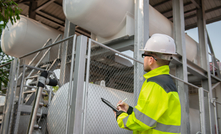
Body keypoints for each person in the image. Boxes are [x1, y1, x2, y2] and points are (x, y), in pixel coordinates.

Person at [114, 33, 181, 134]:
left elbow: (141, 122)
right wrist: (129, 109)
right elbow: (152, 116)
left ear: (151, 60)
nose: (143, 59)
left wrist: (120, 117)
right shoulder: (167, 83)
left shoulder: (155, 84)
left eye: (144, 55)